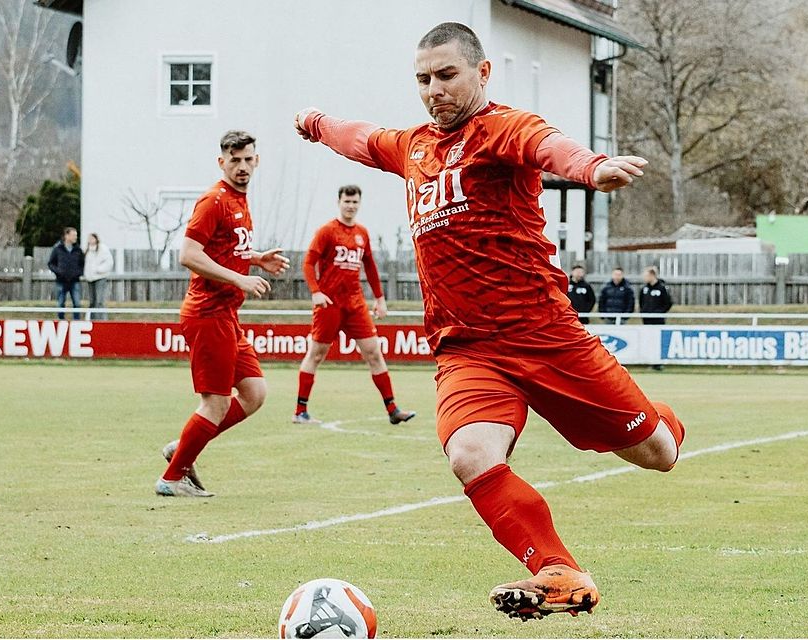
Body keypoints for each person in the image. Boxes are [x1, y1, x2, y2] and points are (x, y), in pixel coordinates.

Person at [293, 22, 685, 621]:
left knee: (657, 453)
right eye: (423, 79)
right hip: (466, 349)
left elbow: (550, 148)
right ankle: (558, 571)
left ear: (482, 72)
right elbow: (362, 137)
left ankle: (664, 422)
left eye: (446, 75)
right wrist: (317, 124)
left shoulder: (503, 129)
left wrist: (593, 167)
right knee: (471, 454)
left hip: (545, 335)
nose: (433, 89)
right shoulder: (414, 146)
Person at [156, 130, 290, 498]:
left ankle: (182, 447)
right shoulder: (213, 200)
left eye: (248, 159)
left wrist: (256, 258)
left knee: (254, 393)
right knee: (214, 402)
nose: (242, 166)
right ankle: (171, 477)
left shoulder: (239, 200)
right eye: (235, 160)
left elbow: (225, 248)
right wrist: (240, 279)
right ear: (222, 162)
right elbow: (189, 254)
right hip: (207, 314)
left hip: (226, 315)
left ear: (257, 160)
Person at [293, 185, 415, 426]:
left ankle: (392, 409)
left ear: (359, 203)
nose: (350, 206)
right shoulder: (327, 231)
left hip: (356, 304)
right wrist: (315, 292)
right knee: (316, 355)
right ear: (339, 202)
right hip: (329, 304)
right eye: (347, 201)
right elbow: (308, 264)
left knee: (374, 353)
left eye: (354, 202)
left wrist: (379, 299)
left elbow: (369, 266)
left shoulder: (362, 233)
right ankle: (300, 412)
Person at [47, 227, 84, 320]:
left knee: (77, 303)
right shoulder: (58, 249)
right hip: (61, 280)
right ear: (67, 235)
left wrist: (78, 273)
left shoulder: (78, 250)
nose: (76, 237)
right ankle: (60, 321)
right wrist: (59, 272)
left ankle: (77, 322)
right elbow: (51, 263)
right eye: (73, 235)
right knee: (60, 302)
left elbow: (82, 264)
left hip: (74, 280)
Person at [83, 233, 114, 320]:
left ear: (96, 239)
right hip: (90, 278)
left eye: (92, 238)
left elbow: (109, 262)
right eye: (89, 238)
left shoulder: (102, 249)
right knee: (92, 301)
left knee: (99, 301)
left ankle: (102, 320)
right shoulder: (87, 250)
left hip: (100, 277)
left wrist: (98, 269)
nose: (90, 240)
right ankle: (92, 319)